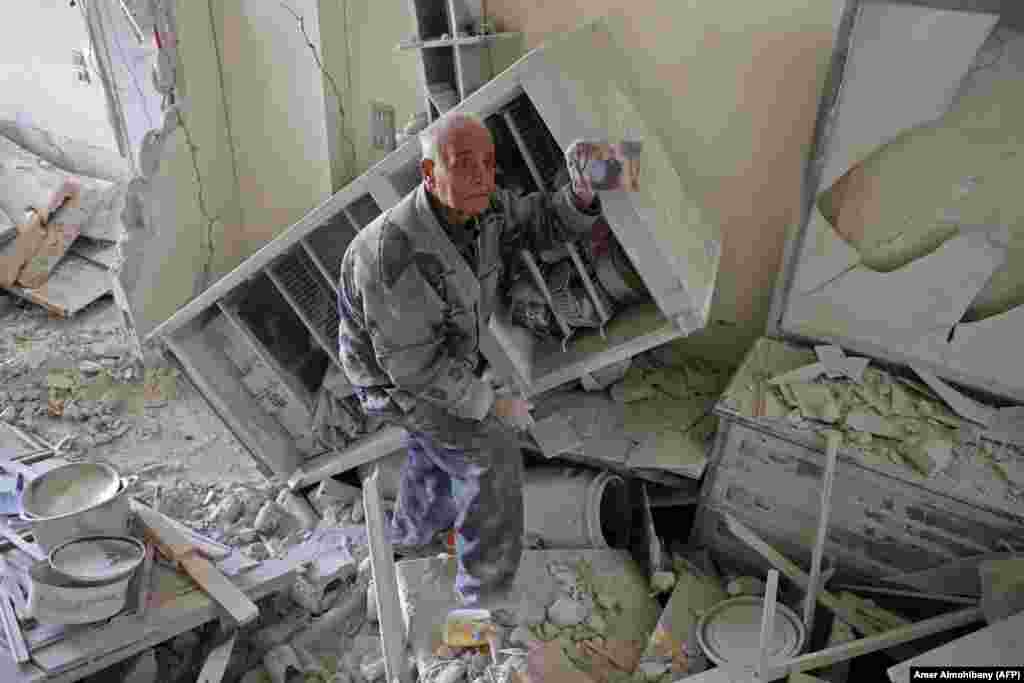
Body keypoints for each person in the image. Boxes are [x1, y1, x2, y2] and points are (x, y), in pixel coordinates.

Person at [336, 112, 604, 606]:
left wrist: (581, 194)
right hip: (393, 379)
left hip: (439, 356)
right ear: (427, 172)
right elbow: (414, 371)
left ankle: (408, 542)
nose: (482, 175)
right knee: (491, 452)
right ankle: (483, 599)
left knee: (434, 446)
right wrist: (493, 404)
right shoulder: (390, 255)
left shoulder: (481, 206)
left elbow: (537, 221)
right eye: (462, 163)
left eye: (488, 162)